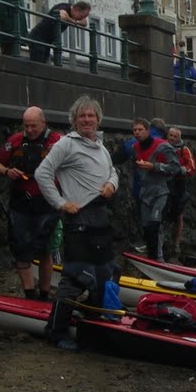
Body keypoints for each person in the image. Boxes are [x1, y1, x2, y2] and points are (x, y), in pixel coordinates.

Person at [35, 96, 119, 352]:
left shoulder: (101, 147)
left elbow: (113, 171)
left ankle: (93, 323)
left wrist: (111, 185)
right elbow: (42, 173)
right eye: (82, 116)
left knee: (106, 274)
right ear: (74, 120)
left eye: (91, 116)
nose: (87, 120)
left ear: (98, 119)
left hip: (100, 218)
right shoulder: (66, 144)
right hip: (78, 218)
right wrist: (60, 203)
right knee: (76, 276)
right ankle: (56, 332)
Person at [0, 106, 62, 299]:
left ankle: (44, 293)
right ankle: (29, 293)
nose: (30, 130)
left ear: (44, 123)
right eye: (26, 126)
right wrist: (8, 171)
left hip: (47, 204)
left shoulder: (56, 142)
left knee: (45, 250)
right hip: (20, 203)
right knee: (21, 249)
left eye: (34, 126)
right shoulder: (15, 141)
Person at [115, 117, 180, 258]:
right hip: (144, 192)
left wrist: (154, 166)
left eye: (140, 130)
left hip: (161, 190)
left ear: (148, 130)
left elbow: (176, 167)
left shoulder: (162, 145)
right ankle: (152, 259)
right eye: (134, 130)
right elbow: (117, 158)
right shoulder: (134, 147)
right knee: (146, 227)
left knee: (155, 225)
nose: (137, 133)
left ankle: (159, 259)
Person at [164, 124, 195, 257]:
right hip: (164, 183)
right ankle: (162, 240)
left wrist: (183, 169)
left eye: (175, 136)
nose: (172, 138)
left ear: (179, 138)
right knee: (162, 213)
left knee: (179, 215)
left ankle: (176, 243)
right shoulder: (162, 146)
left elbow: (192, 166)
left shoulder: (184, 150)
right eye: (170, 135)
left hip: (179, 184)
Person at [29, 0, 91, 65]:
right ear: (77, 9)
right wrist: (73, 21)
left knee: (43, 62)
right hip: (38, 37)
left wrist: (76, 21)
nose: (80, 19)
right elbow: (61, 16)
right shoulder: (64, 7)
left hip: (47, 40)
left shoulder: (74, 11)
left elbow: (84, 23)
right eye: (81, 16)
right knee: (38, 63)